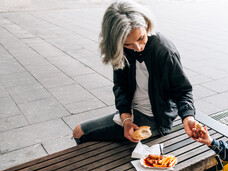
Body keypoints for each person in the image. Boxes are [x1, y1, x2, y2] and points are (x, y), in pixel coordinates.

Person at [73, 0, 197, 144]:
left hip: (154, 118)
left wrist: (188, 117)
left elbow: (183, 90)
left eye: (141, 38)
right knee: (81, 132)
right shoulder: (121, 50)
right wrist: (125, 118)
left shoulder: (164, 51)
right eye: (128, 44)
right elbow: (120, 86)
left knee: (80, 132)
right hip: (132, 113)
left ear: (147, 25)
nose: (137, 47)